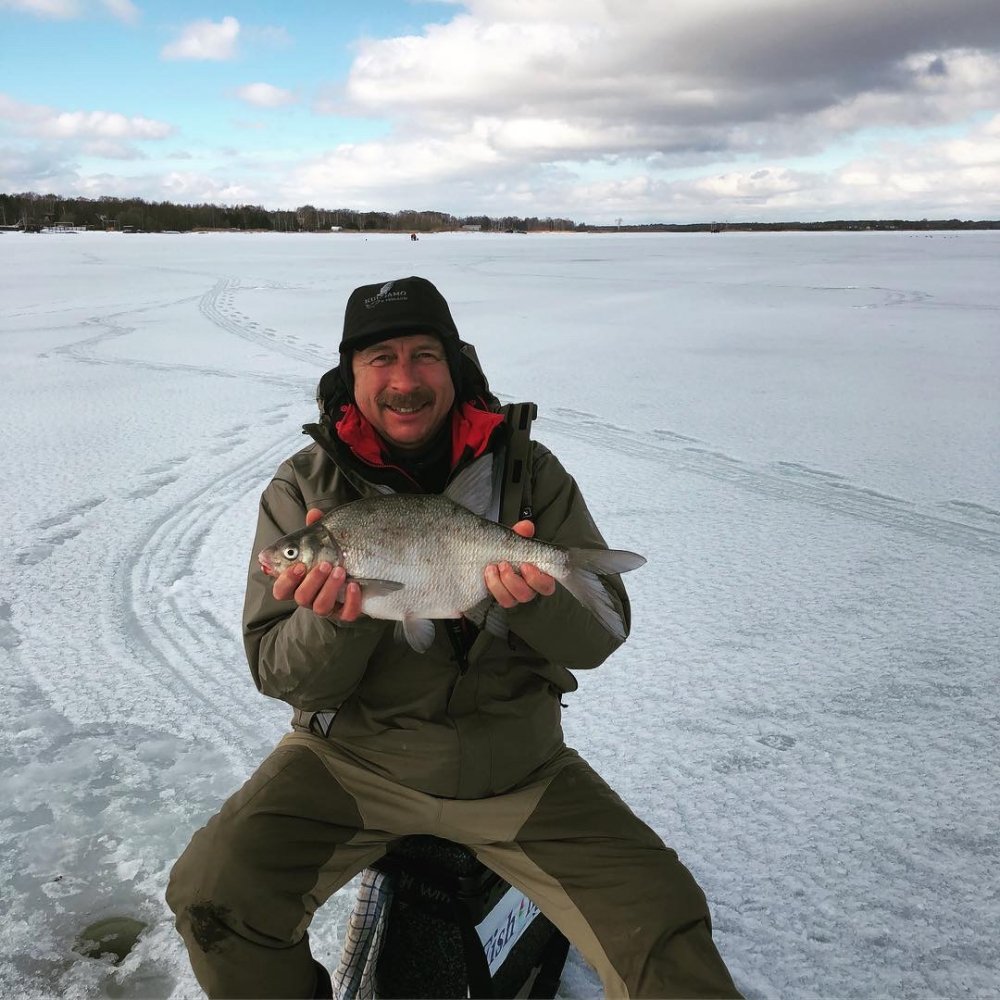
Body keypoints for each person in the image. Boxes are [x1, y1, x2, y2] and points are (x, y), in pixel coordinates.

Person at [166, 275, 741, 999]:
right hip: (354, 762)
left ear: (455, 364)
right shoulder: (304, 489)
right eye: (380, 359)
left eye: (424, 356)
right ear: (351, 375)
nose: (404, 381)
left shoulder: (528, 473)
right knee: (215, 897)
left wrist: (533, 603)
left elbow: (601, 635)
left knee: (665, 924)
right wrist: (335, 619)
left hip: (519, 768)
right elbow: (279, 673)